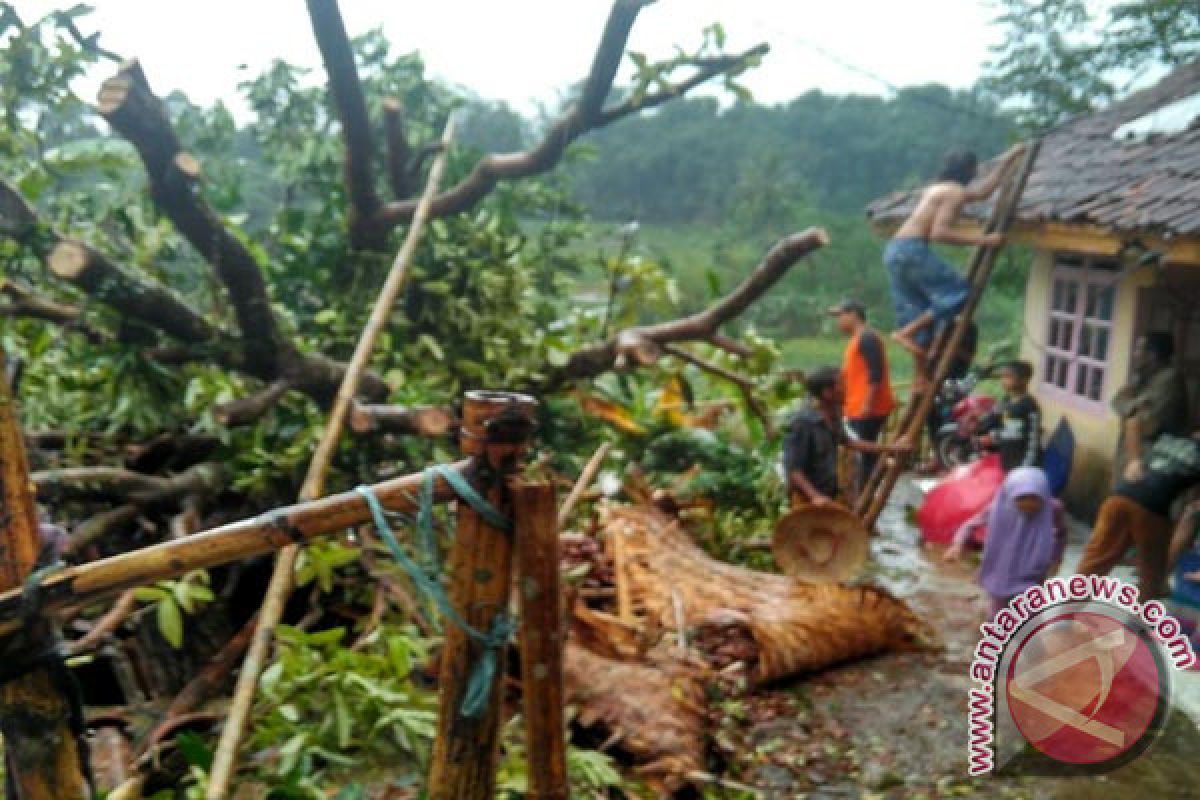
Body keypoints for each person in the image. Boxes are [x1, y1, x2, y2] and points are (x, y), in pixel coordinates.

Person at [886, 145, 1026, 389]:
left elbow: (984, 192)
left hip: (895, 250)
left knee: (920, 311)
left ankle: (920, 376)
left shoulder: (937, 189)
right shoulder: (955, 194)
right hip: (912, 250)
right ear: (970, 170)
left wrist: (1011, 157)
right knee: (958, 292)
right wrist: (985, 240)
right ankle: (906, 332)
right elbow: (940, 232)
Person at [1077, 431, 1200, 600]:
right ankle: (1138, 617)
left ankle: (1068, 614)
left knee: (1096, 561)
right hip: (1152, 509)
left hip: (1118, 498)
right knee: (1151, 573)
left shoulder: (1169, 437)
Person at [944, 467, 1068, 618]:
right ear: (1010, 495)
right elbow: (970, 525)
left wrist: (1056, 558)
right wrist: (957, 545)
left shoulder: (1053, 508)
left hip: (1034, 570)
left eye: (1034, 498)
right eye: (1021, 498)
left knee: (1030, 618)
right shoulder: (999, 508)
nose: (1028, 504)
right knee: (998, 616)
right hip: (1003, 568)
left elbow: (1061, 533)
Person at [782, 366, 910, 508]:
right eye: (841, 385)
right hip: (807, 500)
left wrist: (891, 448)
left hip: (828, 493)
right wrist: (815, 496)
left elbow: (848, 442)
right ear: (827, 393)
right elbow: (794, 469)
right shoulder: (802, 423)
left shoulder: (834, 414)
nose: (846, 389)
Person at [830, 299, 896, 489]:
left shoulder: (867, 338)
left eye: (841, 316)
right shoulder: (858, 339)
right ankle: (864, 491)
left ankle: (865, 493)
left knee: (863, 455)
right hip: (857, 406)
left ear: (853, 315)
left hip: (867, 409)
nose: (839, 322)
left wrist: (868, 403)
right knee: (861, 454)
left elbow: (876, 373)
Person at [1111, 332, 1189, 484]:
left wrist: (1129, 407)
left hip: (1149, 462)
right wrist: (1133, 405)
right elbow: (1116, 402)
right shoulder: (1141, 375)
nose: (1135, 354)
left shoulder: (1170, 380)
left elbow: (1145, 424)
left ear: (1152, 355)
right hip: (1128, 456)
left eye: (1139, 349)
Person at [978, 360, 1042, 472]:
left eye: (1008, 377)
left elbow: (1016, 436)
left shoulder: (1027, 406)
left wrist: (992, 437)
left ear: (1024, 380)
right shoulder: (1007, 399)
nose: (1003, 380)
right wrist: (980, 421)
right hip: (1008, 455)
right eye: (1002, 376)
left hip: (1021, 462)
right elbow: (994, 414)